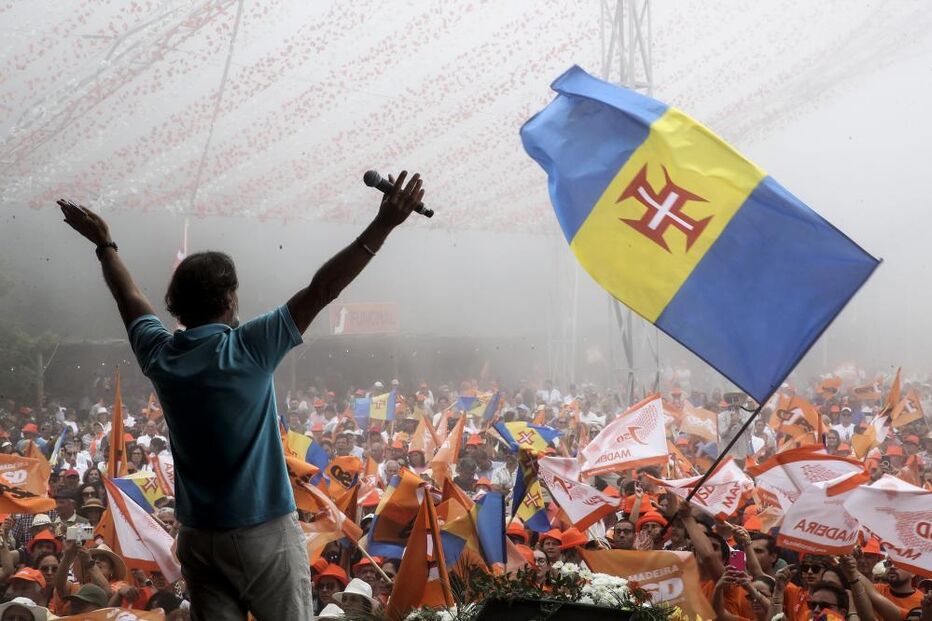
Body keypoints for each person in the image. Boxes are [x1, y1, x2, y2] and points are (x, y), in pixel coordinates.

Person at [58, 170, 425, 620]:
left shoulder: (161, 354)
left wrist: (105, 244)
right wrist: (383, 224)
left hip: (199, 536)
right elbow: (324, 288)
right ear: (230, 299)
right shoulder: (249, 346)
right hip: (264, 531)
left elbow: (127, 295)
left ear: (176, 305)